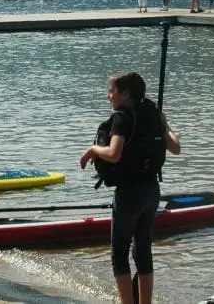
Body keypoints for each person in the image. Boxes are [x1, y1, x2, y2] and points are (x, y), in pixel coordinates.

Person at [79, 72, 181, 304]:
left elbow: (114, 154)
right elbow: (176, 148)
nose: (108, 96)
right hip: (152, 191)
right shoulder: (152, 113)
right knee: (143, 251)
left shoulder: (122, 117)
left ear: (125, 94)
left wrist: (94, 150)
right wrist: (165, 124)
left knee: (119, 254)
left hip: (128, 194)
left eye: (112, 91)